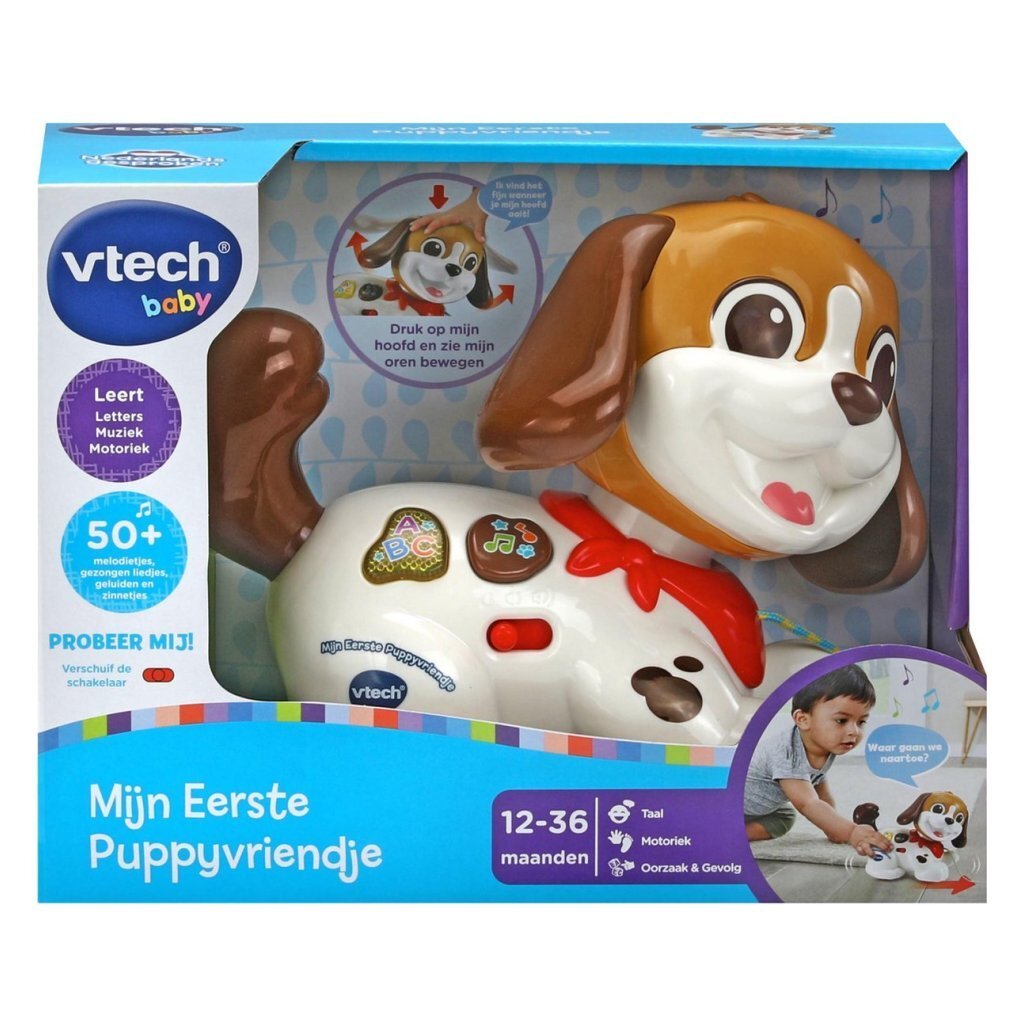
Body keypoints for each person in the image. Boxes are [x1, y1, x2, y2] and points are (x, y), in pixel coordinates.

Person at [744, 665, 892, 857]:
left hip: (759, 810)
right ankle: (728, 831)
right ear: (803, 719)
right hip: (732, 804)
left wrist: (833, 827)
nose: (853, 731)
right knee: (799, 810)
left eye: (861, 722)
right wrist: (850, 831)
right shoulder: (787, 752)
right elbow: (808, 803)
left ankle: (743, 830)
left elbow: (820, 789)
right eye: (841, 720)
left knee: (785, 816)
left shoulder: (824, 746)